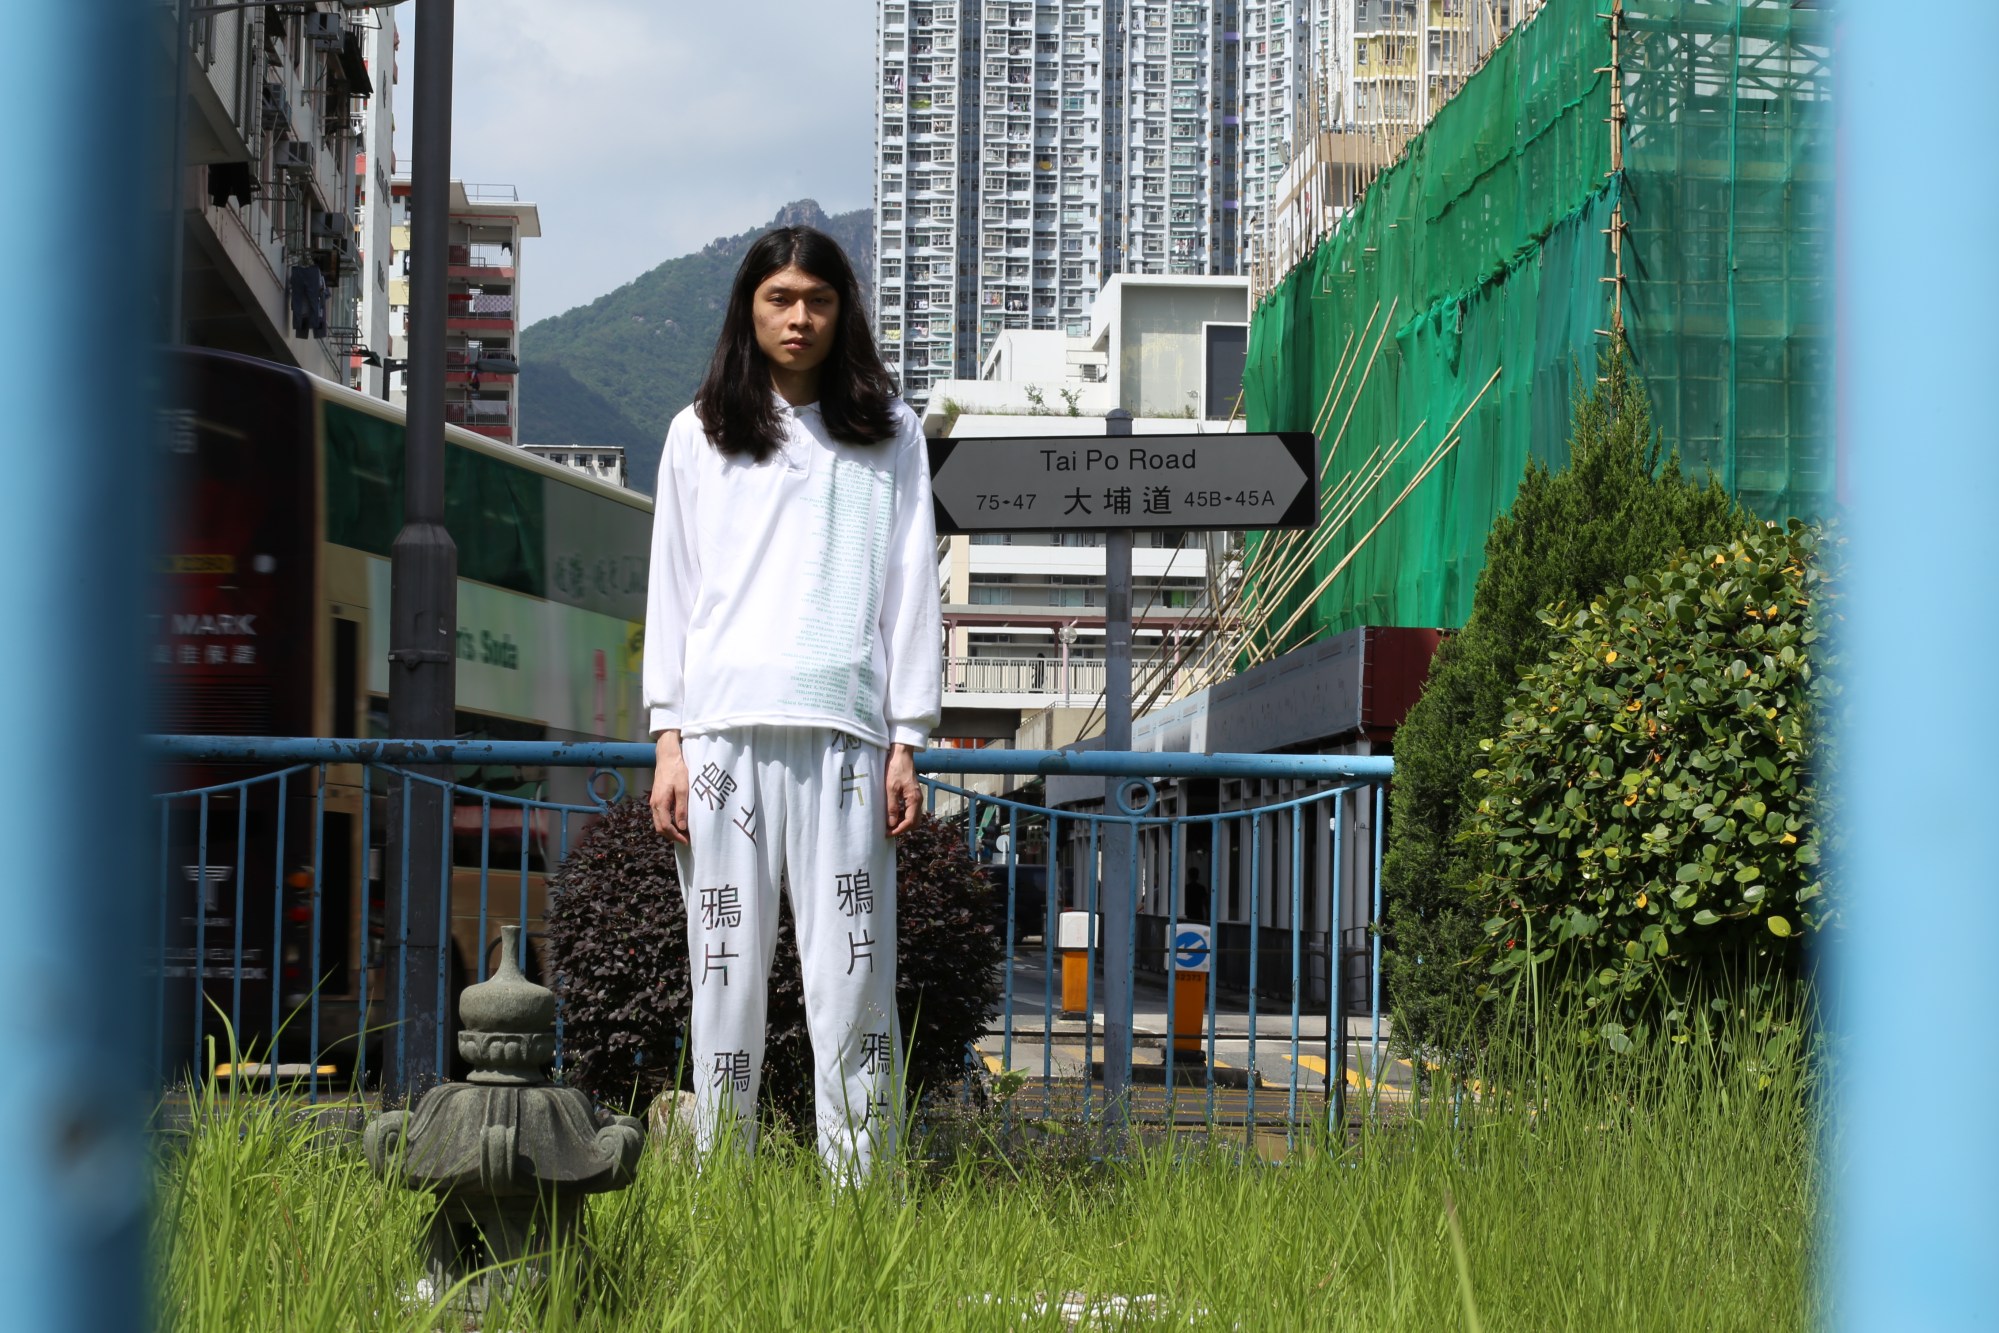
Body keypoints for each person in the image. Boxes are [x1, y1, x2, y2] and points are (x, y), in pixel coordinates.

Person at [642, 226, 942, 1179]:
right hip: (722, 736)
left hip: (847, 738)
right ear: (750, 309)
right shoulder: (698, 433)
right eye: (779, 298)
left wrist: (908, 738)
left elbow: (908, 586)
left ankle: (865, 1198)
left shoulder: (888, 433)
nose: (799, 316)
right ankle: (715, 1192)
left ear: (840, 310)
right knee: (722, 979)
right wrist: (667, 739)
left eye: (817, 298)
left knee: (851, 982)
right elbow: (672, 590)